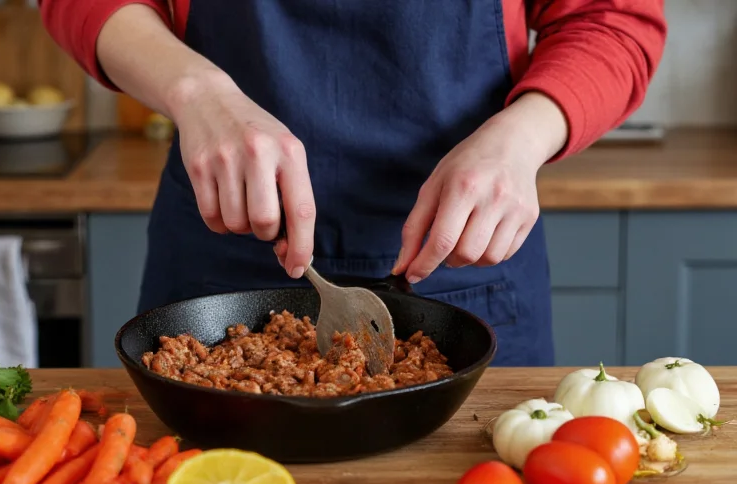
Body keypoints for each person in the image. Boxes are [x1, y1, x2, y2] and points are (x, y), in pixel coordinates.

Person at [40, 0, 666, 366]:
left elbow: (613, 17)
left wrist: (523, 136)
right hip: (223, 256)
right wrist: (195, 90)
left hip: (470, 255)